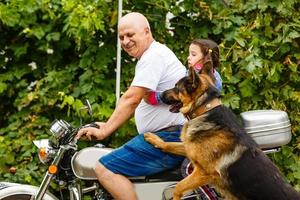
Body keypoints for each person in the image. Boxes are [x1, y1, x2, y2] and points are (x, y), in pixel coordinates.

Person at [76, 12, 186, 200]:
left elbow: (131, 99)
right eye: (121, 37)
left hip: (168, 137)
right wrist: (107, 123)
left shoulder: (153, 56)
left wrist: (105, 131)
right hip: (167, 135)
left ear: (146, 31)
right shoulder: (153, 55)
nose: (125, 41)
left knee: (104, 168)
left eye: (130, 35)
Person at [144, 38, 222, 106]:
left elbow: (180, 92)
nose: (188, 57)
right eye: (189, 54)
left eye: (193, 55)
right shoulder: (216, 76)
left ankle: (157, 98)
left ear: (206, 58)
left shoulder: (195, 75)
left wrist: (158, 97)